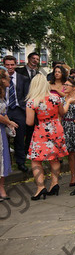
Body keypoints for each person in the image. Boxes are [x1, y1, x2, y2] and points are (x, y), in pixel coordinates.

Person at [26, 75, 68, 200]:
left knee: (36, 159)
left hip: (41, 131)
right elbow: (62, 113)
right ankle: (54, 183)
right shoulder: (56, 98)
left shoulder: (32, 101)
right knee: (54, 157)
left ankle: (41, 187)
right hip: (56, 129)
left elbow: (29, 122)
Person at [2, 55, 30, 172]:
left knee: (19, 136)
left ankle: (20, 162)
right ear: (4, 65)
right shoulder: (1, 78)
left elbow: (27, 95)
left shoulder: (23, 78)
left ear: (16, 64)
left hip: (19, 110)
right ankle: (6, 162)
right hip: (4, 109)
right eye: (7, 65)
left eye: (12, 65)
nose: (10, 67)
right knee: (4, 136)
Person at [0, 70, 17, 200]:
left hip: (1, 129)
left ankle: (2, 188)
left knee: (3, 158)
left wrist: (9, 124)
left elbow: (3, 111)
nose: (10, 80)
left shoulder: (3, 94)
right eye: (7, 78)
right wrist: (8, 121)